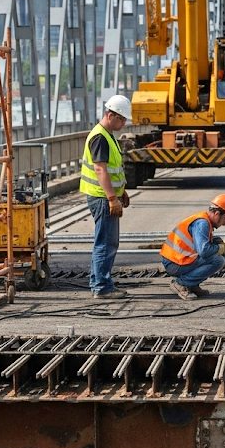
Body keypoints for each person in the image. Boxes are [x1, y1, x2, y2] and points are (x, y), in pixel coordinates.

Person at [80, 95, 133, 299]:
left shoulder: (108, 135)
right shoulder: (100, 137)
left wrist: (122, 191)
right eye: (121, 119)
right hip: (102, 198)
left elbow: (113, 169)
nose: (124, 123)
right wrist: (112, 198)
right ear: (110, 115)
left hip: (107, 196)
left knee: (108, 242)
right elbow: (100, 170)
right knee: (105, 243)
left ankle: (101, 282)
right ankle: (101, 287)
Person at [160, 194, 225, 300]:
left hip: (177, 260)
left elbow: (207, 244)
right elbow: (204, 251)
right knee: (218, 261)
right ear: (217, 213)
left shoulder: (204, 221)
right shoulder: (202, 224)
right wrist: (223, 250)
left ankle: (191, 284)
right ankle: (181, 284)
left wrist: (223, 248)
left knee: (218, 252)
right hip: (174, 263)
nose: (224, 224)